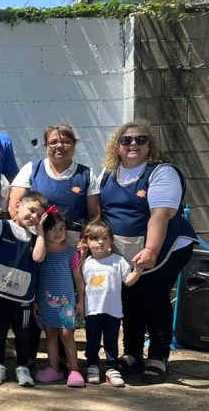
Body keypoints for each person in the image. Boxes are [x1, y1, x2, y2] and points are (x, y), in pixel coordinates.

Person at [94, 122, 197, 379]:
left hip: (164, 247)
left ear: (149, 145)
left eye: (140, 139)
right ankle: (132, 353)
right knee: (129, 297)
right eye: (126, 140)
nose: (133, 144)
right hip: (125, 249)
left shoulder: (161, 172)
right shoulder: (108, 173)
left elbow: (160, 215)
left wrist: (151, 249)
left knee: (153, 296)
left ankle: (159, 355)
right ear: (116, 146)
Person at [0, 190, 48, 387]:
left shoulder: (35, 235)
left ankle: (22, 367)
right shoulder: (2, 225)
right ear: (18, 206)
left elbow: (38, 257)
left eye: (39, 214)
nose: (33, 216)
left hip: (23, 294)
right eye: (31, 210)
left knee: (23, 331)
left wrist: (41, 231)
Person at [78, 220, 142, 388]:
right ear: (87, 241)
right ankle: (92, 366)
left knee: (111, 341)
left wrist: (138, 270)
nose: (100, 242)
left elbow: (128, 281)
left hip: (113, 311)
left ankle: (111, 368)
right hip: (92, 310)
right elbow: (81, 286)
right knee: (92, 340)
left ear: (111, 241)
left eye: (105, 238)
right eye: (95, 238)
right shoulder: (85, 262)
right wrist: (80, 304)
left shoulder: (118, 260)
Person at [10, 124, 98, 244]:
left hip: (72, 241)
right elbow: (14, 206)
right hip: (35, 238)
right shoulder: (30, 169)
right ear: (46, 147)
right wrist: (26, 237)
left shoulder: (87, 174)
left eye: (66, 141)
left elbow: (94, 215)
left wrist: (84, 241)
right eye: (53, 142)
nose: (59, 146)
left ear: (74, 146)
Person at [34, 213, 84, 386]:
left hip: (66, 303)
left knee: (66, 334)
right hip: (44, 303)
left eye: (62, 228)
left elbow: (79, 280)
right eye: (52, 229)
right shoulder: (39, 252)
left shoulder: (71, 253)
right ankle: (54, 369)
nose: (58, 232)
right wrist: (34, 301)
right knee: (50, 334)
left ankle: (74, 370)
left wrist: (80, 301)